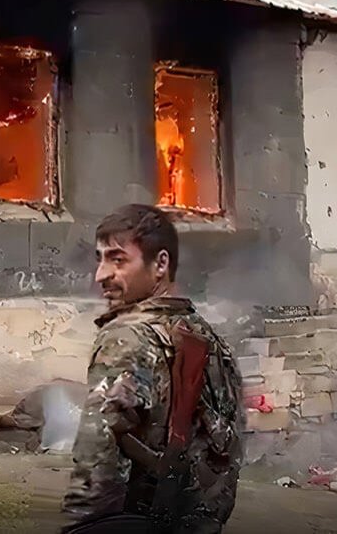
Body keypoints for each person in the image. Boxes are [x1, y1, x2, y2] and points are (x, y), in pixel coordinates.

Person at [61, 204, 244, 533]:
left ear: (161, 263)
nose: (101, 275)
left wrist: (82, 524)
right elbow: (227, 461)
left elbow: (96, 463)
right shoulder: (212, 341)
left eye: (118, 260)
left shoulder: (126, 337)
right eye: (100, 259)